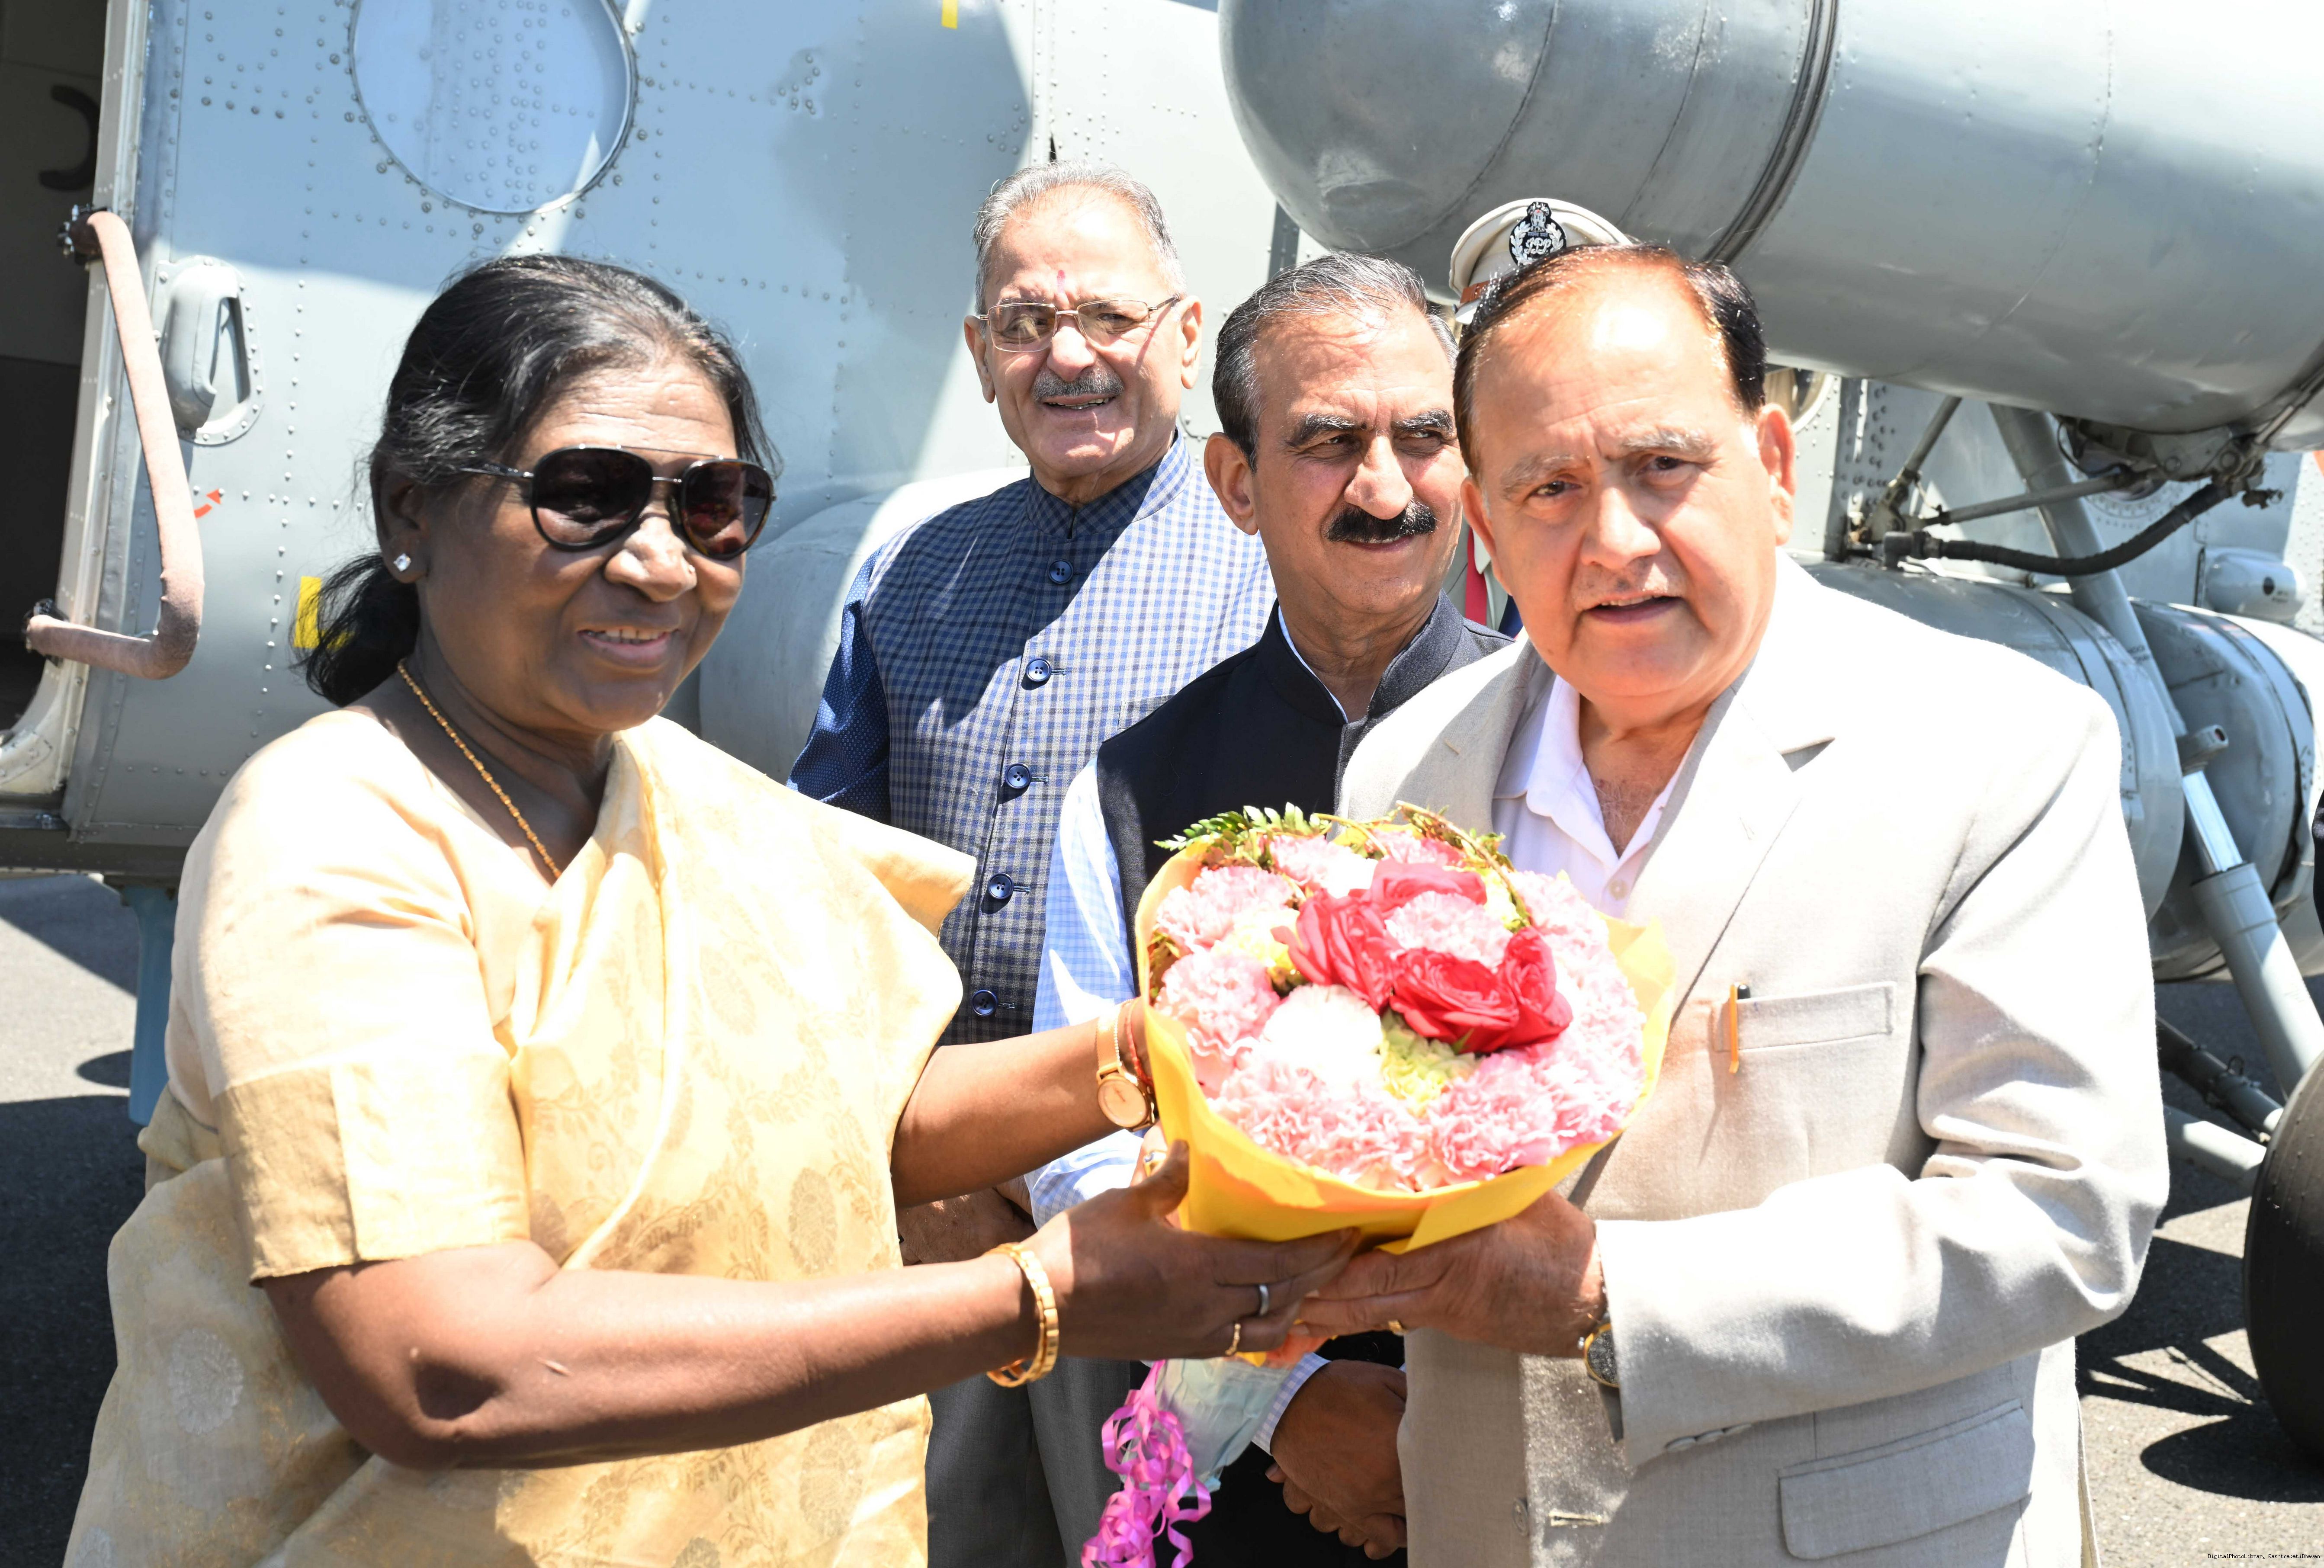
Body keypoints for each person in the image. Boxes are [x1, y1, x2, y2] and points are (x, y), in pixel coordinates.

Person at [65, 255, 1351, 1568]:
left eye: (710, 504)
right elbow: (443, 1363)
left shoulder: (693, 796)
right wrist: (1036, 1297)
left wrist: (1165, 1049)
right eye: (583, 496)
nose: (658, 560)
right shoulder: (336, 834)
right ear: (415, 507)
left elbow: (860, 1115)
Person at [1304, 244, 2166, 1565]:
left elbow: (2060, 1212)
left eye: (1663, 465)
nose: (1613, 541)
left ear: (1770, 465)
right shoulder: (1404, 771)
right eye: (1548, 487)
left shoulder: (1998, 748)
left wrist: (1607, 1295)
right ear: (1484, 524)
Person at [789, 163, 1274, 1563]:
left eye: (1107, 316)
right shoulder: (909, 570)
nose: (1067, 355)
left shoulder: (1272, 567)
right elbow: (826, 887)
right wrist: (912, 1157)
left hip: (1170, 1221)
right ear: (978, 352)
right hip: (937, 1212)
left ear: (1185, 333)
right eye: (1023, 322)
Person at [1034, 252, 1510, 1562]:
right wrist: (1285, 1393)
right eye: (1328, 443)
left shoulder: (1576, 751)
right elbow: (1083, 1154)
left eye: (1425, 439)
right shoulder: (1132, 790)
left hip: (1528, 1440)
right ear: (1235, 483)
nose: (1385, 488)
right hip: (1239, 1465)